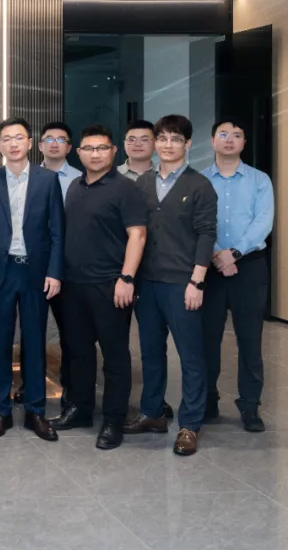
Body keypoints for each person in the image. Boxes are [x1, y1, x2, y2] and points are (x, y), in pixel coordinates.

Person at [124, 114, 217, 457]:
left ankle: (190, 424)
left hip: (182, 283)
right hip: (147, 283)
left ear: (188, 144)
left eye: (175, 139)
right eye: (161, 138)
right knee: (150, 353)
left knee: (190, 356)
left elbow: (207, 234)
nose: (167, 145)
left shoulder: (199, 185)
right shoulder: (142, 183)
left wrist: (197, 281)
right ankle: (152, 412)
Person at [49, 125, 146, 450]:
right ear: (79, 153)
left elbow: (138, 235)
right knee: (78, 351)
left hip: (111, 285)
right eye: (89, 148)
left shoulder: (125, 189)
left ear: (113, 151)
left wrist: (127, 278)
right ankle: (81, 409)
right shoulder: (74, 187)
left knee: (114, 355)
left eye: (101, 148)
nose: (95, 154)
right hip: (74, 285)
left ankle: (114, 419)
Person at [0, 117, 63, 442]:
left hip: (35, 272)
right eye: (7, 139)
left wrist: (54, 271)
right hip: (1, 271)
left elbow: (57, 231)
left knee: (34, 341)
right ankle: (1, 410)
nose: (13, 144)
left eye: (19, 138)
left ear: (30, 143)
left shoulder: (47, 180)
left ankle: (35, 410)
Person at [200, 119, 274, 432]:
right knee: (206, 339)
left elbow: (263, 221)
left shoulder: (260, 180)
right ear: (212, 140)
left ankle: (250, 405)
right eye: (223, 134)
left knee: (250, 339)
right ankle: (207, 400)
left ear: (244, 142)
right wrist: (217, 253)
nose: (230, 139)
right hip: (209, 267)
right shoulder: (199, 180)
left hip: (249, 266)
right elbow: (196, 221)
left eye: (237, 135)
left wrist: (235, 253)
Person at [117, 118, 175, 420]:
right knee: (117, 340)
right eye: (132, 139)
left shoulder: (169, 177)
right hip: (120, 271)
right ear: (123, 144)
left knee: (153, 342)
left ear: (154, 143)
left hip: (157, 271)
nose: (138, 144)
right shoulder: (112, 177)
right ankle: (118, 399)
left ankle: (154, 401)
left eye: (145, 139)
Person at [34, 121, 82, 410]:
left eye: (60, 139)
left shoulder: (80, 180)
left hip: (70, 269)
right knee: (33, 330)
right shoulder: (28, 177)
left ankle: (70, 389)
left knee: (70, 333)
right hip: (34, 267)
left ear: (69, 147)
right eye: (48, 139)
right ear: (40, 145)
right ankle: (32, 383)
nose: (54, 144)